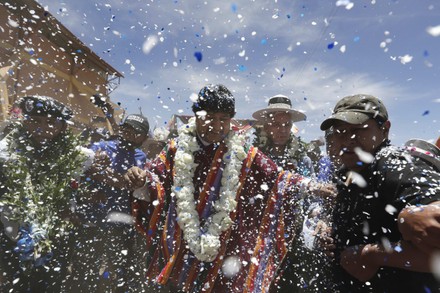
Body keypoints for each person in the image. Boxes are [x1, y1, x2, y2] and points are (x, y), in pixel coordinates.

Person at [124, 84, 330, 293]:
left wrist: (309, 185)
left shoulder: (243, 152)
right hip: (181, 242)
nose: (216, 125)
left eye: (223, 119)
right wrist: (141, 180)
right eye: (210, 117)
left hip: (224, 243)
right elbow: (155, 178)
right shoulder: (176, 149)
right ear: (197, 117)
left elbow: (276, 176)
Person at [319, 94, 440, 292]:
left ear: (384, 129)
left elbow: (432, 214)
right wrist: (332, 232)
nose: (347, 139)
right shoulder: (348, 171)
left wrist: (371, 255)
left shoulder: (393, 164)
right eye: (340, 131)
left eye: (358, 130)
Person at [0, 95, 90, 292]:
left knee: (50, 285)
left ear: (63, 127)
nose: (42, 128)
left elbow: (91, 173)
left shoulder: (76, 156)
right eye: (35, 121)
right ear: (25, 122)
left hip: (55, 238)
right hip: (13, 237)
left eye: (51, 122)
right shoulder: (6, 153)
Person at [71, 113, 150, 292]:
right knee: (87, 269)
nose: (129, 134)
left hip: (123, 222)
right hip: (93, 219)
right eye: (126, 129)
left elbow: (135, 186)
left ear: (144, 137)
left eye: (136, 132)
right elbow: (78, 174)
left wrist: (111, 177)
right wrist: (90, 186)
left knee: (119, 269)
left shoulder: (142, 157)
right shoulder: (101, 148)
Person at [252, 95, 313, 176]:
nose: (282, 130)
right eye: (276, 124)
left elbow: (312, 186)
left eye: (287, 125)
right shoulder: (254, 158)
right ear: (266, 127)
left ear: (291, 127)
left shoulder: (303, 161)